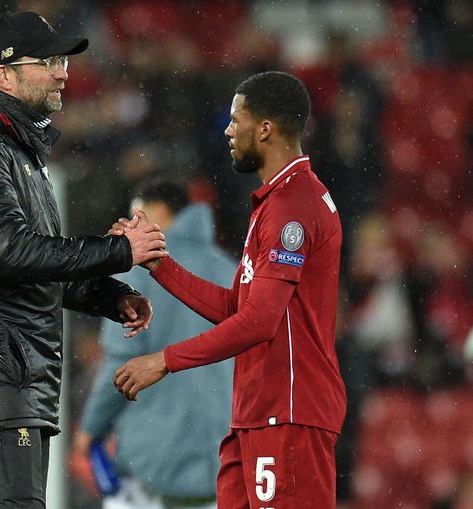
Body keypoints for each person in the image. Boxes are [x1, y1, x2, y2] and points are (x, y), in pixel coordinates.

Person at [0, 11, 167, 509]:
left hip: (13, 363)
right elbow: (9, 252)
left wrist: (108, 297)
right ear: (4, 75)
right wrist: (120, 251)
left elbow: (35, 263)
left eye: (63, 62)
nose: (63, 73)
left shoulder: (16, 151)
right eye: (49, 62)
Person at [112, 71, 347, 508]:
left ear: (265, 128)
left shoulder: (293, 207)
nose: (227, 130)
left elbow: (259, 322)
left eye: (236, 120)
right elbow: (236, 307)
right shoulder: (274, 202)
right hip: (257, 414)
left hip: (288, 413)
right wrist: (159, 264)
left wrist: (165, 360)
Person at [74, 180, 237, 509]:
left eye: (137, 215)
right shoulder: (230, 269)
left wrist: (91, 428)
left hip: (153, 463)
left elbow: (119, 363)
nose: (130, 226)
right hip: (220, 460)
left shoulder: (139, 268)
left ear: (160, 211)